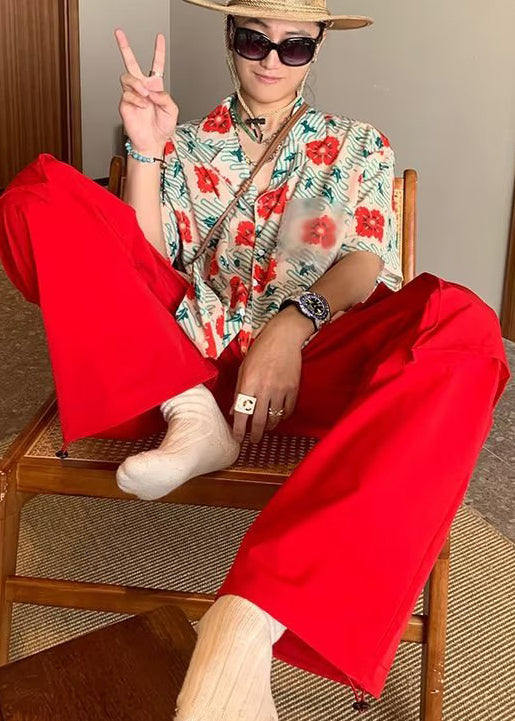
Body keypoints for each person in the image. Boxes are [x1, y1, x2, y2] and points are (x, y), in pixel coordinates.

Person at [0, 0, 510, 718]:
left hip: (308, 365)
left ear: (318, 47)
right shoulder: (184, 142)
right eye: (253, 38)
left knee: (463, 323)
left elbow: (363, 262)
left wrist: (290, 328)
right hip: (177, 365)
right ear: (229, 37)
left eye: (294, 45)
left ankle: (246, 622)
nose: (271, 59)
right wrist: (146, 150)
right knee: (37, 191)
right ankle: (192, 418)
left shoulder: (355, 145)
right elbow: (142, 266)